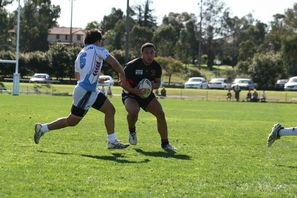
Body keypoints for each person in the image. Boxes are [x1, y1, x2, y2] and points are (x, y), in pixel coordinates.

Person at [34, 29, 131, 149]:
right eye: (101, 41)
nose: (102, 43)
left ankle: (112, 141)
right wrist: (122, 74)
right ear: (98, 41)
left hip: (89, 90)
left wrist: (96, 79)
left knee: (110, 110)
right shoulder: (98, 49)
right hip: (86, 92)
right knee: (72, 121)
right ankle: (42, 128)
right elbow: (114, 63)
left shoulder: (81, 53)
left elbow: (78, 76)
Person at [121, 42, 176, 152]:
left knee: (160, 114)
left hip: (146, 95)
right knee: (134, 111)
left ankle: (165, 143)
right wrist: (134, 90)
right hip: (130, 94)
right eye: (146, 53)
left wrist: (151, 86)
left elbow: (157, 83)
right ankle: (132, 131)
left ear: (155, 53)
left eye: (152, 53)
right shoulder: (132, 65)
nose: (149, 55)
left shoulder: (156, 67)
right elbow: (122, 83)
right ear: (142, 54)